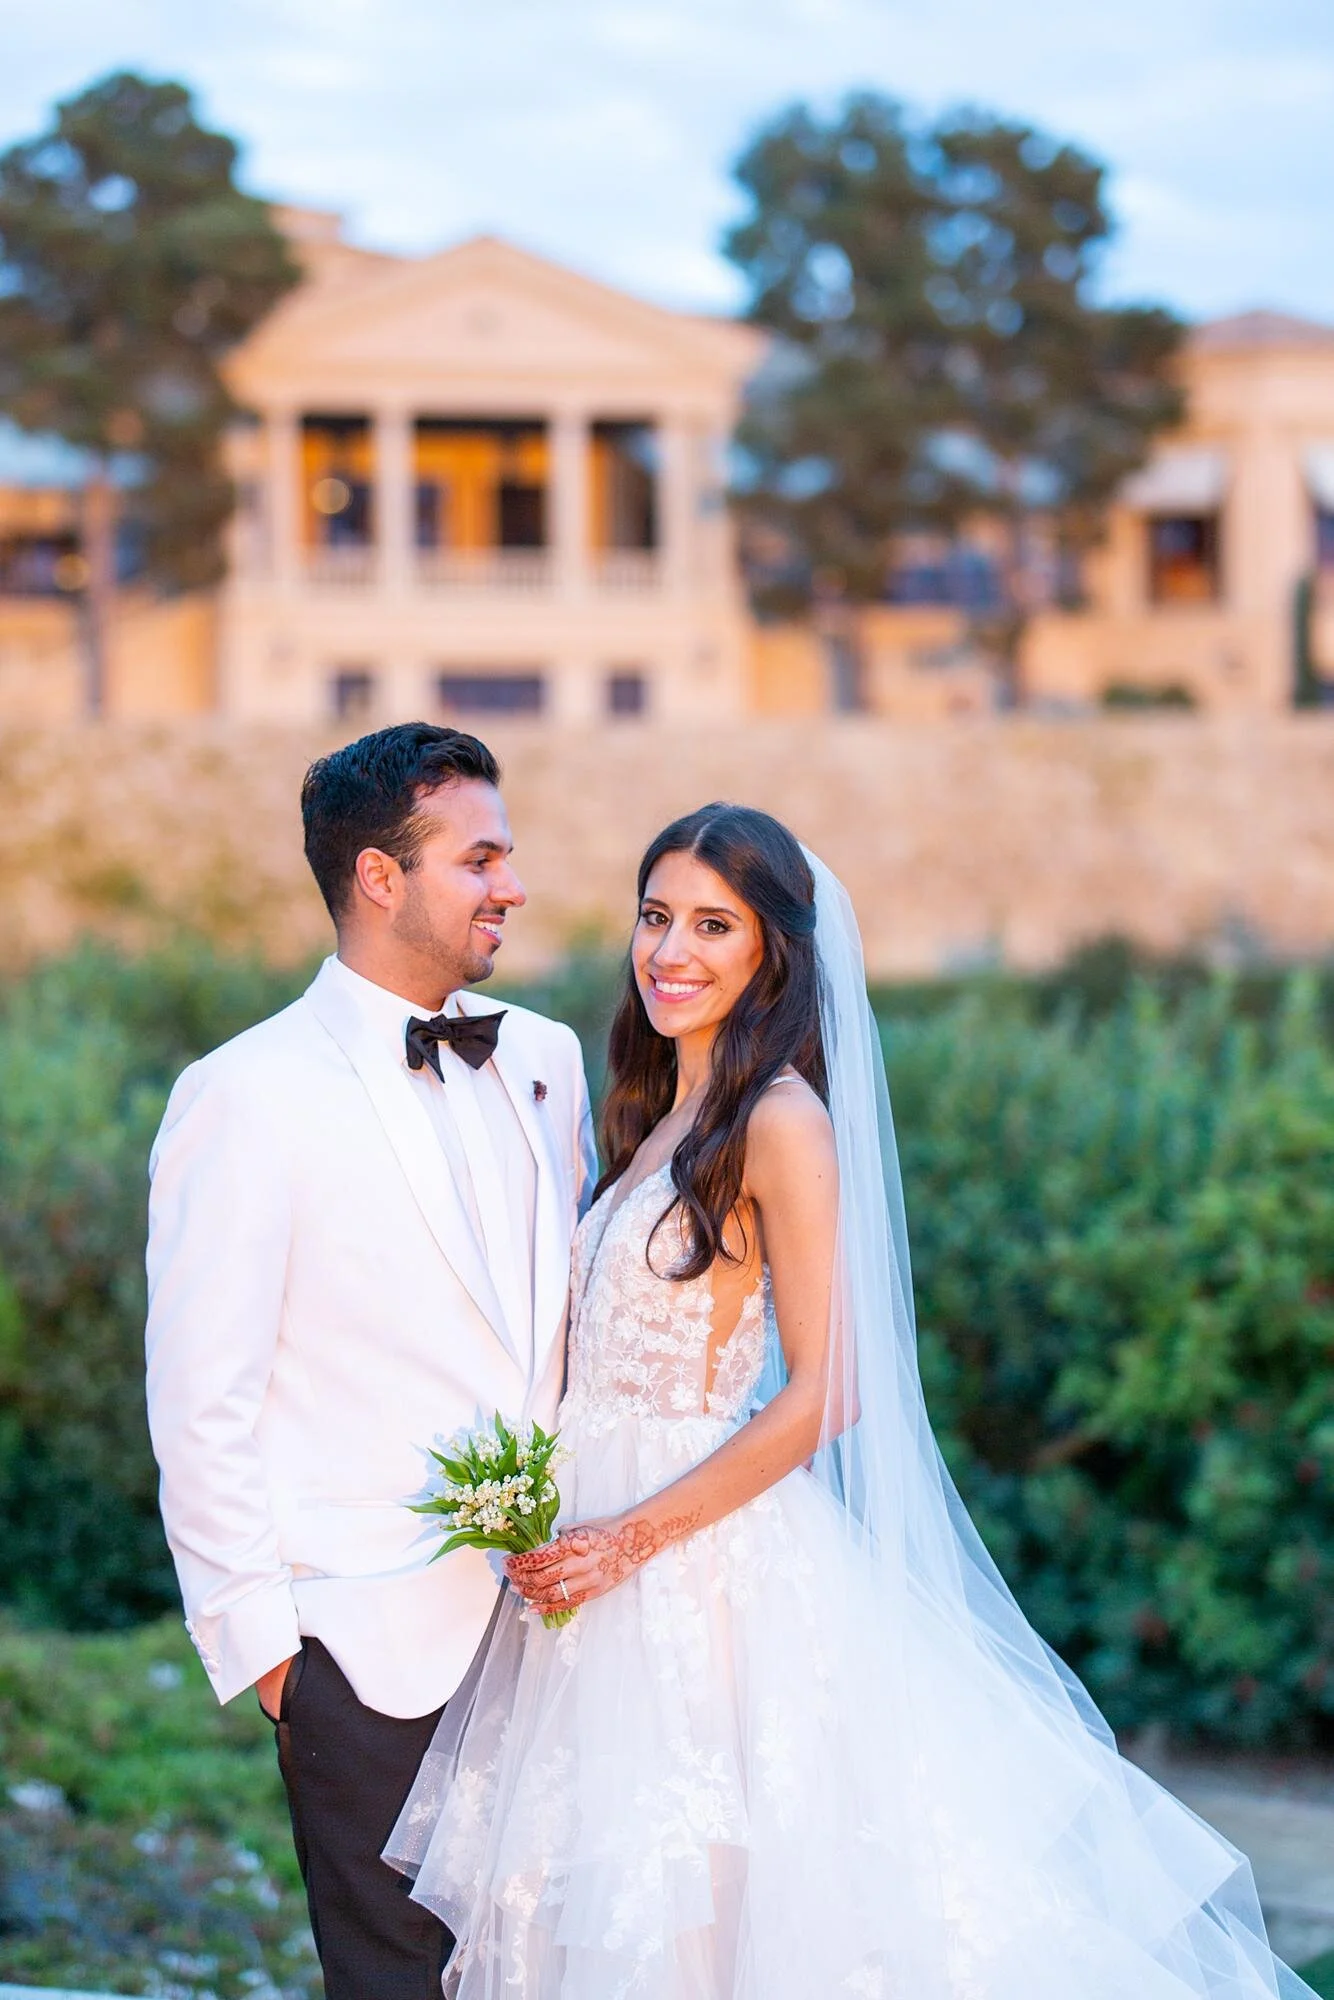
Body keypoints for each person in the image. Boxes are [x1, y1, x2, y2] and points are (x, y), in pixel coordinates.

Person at [388, 800, 1317, 2000]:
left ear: (771, 951)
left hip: (696, 1563)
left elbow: (827, 1391)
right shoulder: (649, 1116)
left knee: (725, 1904)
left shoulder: (779, 1120)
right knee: (614, 1907)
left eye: (712, 924)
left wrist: (627, 1538)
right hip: (587, 1560)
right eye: (655, 915)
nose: (669, 949)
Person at [145, 722, 596, 2000]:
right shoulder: (243, 1093)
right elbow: (199, 1397)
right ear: (380, 876)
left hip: (560, 1640)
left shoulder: (547, 1059)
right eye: (479, 858)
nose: (511, 885)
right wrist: (278, 1665)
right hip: (360, 1652)